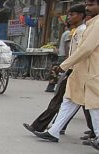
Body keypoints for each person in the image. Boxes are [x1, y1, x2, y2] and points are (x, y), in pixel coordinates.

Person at [32, 0, 99, 145]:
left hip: (92, 71)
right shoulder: (91, 24)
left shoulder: (96, 25)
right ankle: (53, 131)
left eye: (92, 5)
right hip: (81, 70)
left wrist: (64, 65)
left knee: (93, 105)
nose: (88, 8)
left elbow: (85, 49)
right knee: (69, 101)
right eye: (87, 5)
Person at [24, 4, 87, 135]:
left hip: (76, 70)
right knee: (69, 102)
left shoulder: (82, 31)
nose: (69, 18)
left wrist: (64, 65)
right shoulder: (75, 31)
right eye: (68, 15)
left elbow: (80, 53)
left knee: (67, 101)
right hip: (73, 69)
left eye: (72, 14)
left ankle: (42, 126)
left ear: (81, 15)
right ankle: (52, 128)